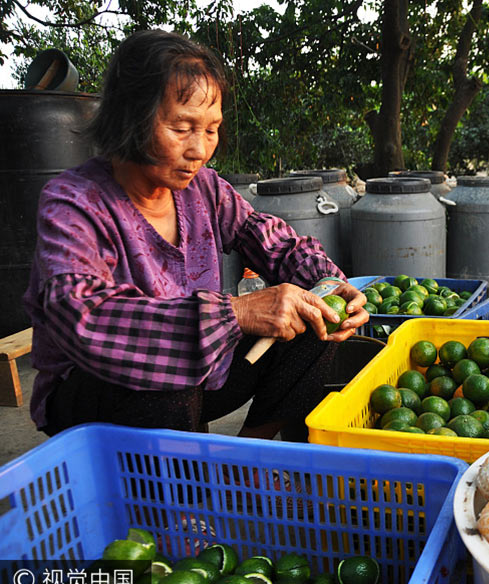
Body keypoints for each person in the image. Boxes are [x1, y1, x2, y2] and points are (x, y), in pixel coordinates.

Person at [23, 29, 368, 440]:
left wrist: (329, 285)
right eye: (183, 127)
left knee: (313, 324)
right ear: (131, 116)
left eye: (211, 129)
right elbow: (85, 318)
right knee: (164, 376)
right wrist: (236, 312)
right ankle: (180, 490)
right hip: (99, 393)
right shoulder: (74, 203)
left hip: (201, 378)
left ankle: (247, 460)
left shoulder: (203, 188)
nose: (200, 150)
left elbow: (272, 241)